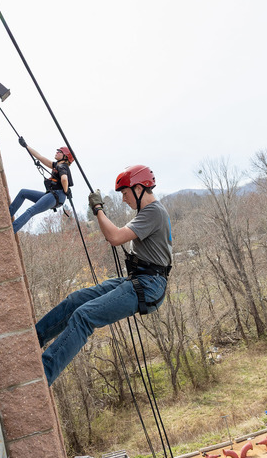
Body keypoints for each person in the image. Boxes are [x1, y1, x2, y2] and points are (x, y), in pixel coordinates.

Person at [36, 164, 173, 385]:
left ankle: (42, 374)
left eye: (125, 193)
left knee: (84, 316)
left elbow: (115, 237)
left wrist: (98, 208)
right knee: (76, 301)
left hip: (149, 285)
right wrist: (100, 212)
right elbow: (116, 234)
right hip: (140, 280)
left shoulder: (154, 212)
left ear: (139, 189)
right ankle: (34, 338)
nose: (123, 199)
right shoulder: (147, 213)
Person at [9, 136, 74, 233]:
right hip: (53, 195)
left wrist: (65, 190)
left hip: (56, 196)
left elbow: (64, 179)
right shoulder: (57, 165)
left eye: (59, 151)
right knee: (23, 192)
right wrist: (26, 146)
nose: (57, 152)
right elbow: (40, 157)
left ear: (65, 156)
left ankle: (10, 230)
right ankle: (7, 216)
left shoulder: (62, 166)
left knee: (31, 210)